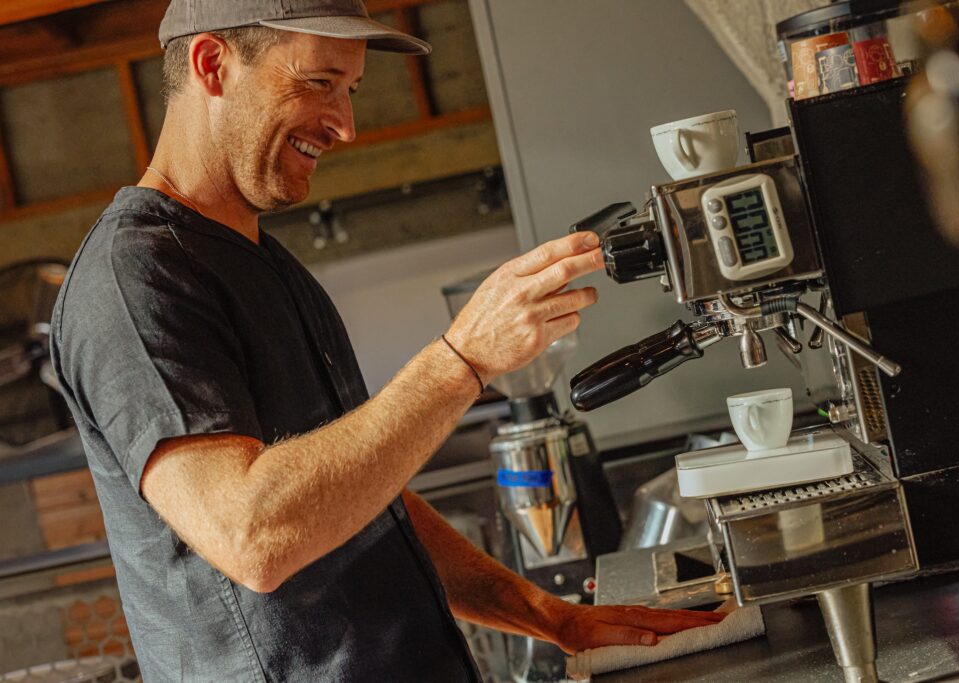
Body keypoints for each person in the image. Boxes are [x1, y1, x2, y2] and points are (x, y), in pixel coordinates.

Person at [50, 1, 724, 680]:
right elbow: (250, 534)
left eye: (350, 90)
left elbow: (360, 498)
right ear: (212, 64)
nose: (345, 124)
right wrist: (463, 359)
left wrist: (549, 616)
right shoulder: (134, 279)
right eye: (319, 82)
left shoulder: (266, 264)